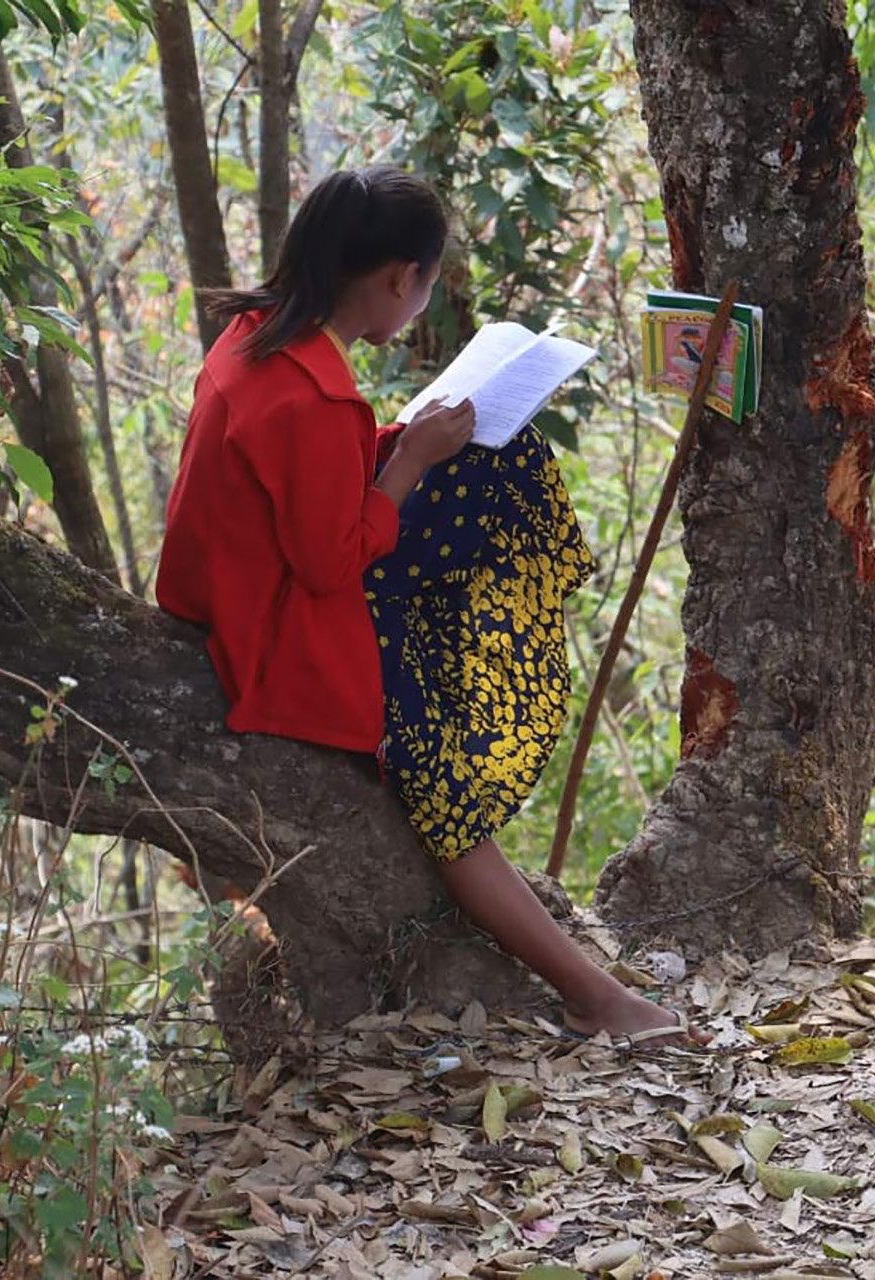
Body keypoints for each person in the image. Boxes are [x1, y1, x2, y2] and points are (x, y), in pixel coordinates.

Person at [157, 166, 701, 1047]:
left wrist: (401, 447)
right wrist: (405, 464)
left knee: (491, 454)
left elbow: (299, 495)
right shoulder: (314, 398)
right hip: (277, 639)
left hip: (251, 588)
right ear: (398, 279)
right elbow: (332, 562)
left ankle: (460, 692)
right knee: (440, 789)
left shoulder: (255, 339)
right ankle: (593, 993)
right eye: (427, 282)